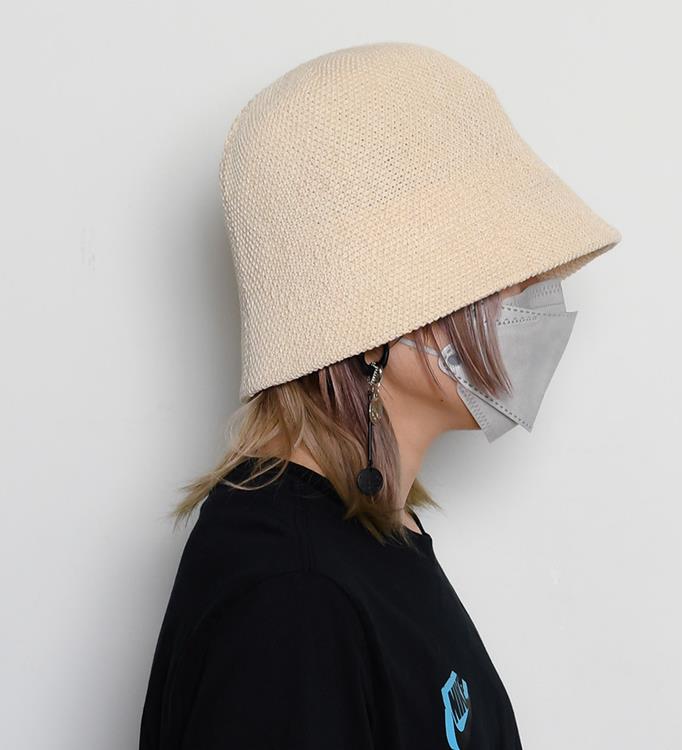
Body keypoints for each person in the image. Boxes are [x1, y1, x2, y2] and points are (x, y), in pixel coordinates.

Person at [139, 42, 622, 749]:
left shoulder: (370, 538)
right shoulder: (292, 597)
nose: (536, 300)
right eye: (505, 275)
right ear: (370, 330)